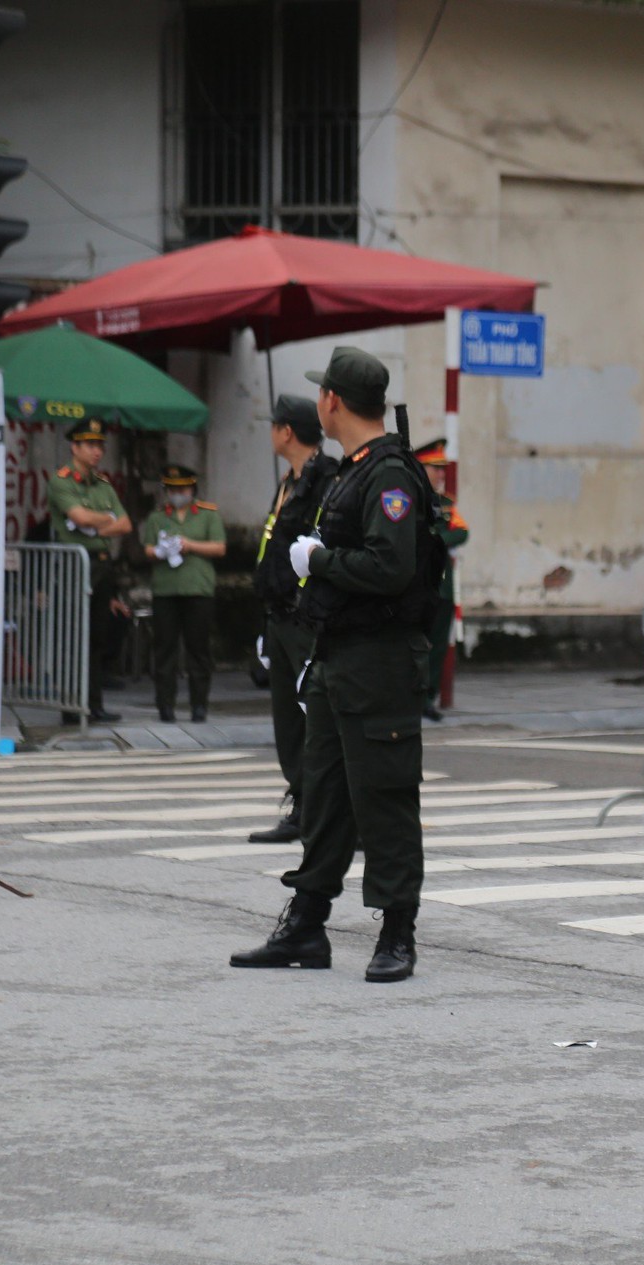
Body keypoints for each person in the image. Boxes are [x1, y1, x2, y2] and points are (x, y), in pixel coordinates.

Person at [230, 347, 444, 984]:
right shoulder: (354, 470)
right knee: (322, 796)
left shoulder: (390, 476)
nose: (319, 399)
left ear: (332, 401)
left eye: (323, 392)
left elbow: (392, 567)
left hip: (379, 661)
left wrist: (318, 561)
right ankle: (307, 923)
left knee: (384, 797)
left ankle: (398, 931)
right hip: (338, 656)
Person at [248, 394, 338, 844]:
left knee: (319, 716)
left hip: (307, 620)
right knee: (287, 716)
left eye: (274, 425)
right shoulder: (288, 481)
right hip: (279, 615)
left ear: (287, 431)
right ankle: (302, 805)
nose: (271, 433)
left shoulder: (326, 478)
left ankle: (335, 812)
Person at [47, 418, 132, 724]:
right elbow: (77, 515)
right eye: (91, 445)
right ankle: (72, 706)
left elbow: (124, 524)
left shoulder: (104, 485)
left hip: (100, 566)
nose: (97, 452)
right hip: (73, 566)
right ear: (75, 447)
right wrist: (102, 520)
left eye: (100, 446)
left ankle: (94, 704)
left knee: (98, 637)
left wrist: (94, 524)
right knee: (73, 636)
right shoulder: (62, 481)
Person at [139, 464, 226, 723]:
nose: (178, 493)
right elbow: (147, 549)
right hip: (166, 590)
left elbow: (219, 548)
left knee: (198, 650)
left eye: (183, 488)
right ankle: (165, 705)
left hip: (197, 590)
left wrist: (189, 545)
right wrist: (160, 551)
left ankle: (199, 705)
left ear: (193, 489)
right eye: (173, 489)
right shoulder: (157, 517)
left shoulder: (207, 514)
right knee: (164, 649)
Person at [413, 438, 470, 722]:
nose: (440, 474)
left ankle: (428, 697)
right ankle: (411, 695)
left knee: (436, 646)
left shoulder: (445, 503)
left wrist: (434, 540)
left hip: (442, 585)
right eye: (434, 468)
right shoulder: (407, 499)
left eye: (441, 468)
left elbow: (461, 531)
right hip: (415, 585)